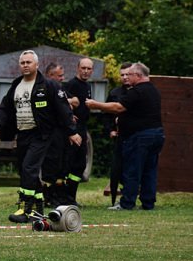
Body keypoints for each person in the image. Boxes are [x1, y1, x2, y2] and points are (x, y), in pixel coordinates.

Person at [0, 50, 80, 223]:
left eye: (29, 62)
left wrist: (72, 132)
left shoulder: (49, 85)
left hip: (42, 134)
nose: (25, 65)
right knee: (25, 168)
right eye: (23, 63)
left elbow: (64, 109)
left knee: (29, 168)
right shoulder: (16, 85)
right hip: (23, 133)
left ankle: (24, 208)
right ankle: (38, 207)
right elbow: (5, 108)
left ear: (37, 65)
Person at [86, 62, 164, 210]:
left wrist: (96, 104)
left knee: (132, 171)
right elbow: (140, 112)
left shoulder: (137, 91)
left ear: (139, 75)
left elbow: (118, 107)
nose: (127, 77)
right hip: (157, 135)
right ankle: (148, 203)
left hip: (139, 137)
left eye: (130, 74)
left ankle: (127, 203)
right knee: (149, 171)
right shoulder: (154, 89)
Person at [39, 62, 76, 208]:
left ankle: (60, 197)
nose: (62, 78)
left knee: (62, 166)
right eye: (59, 76)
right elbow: (57, 107)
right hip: (50, 132)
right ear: (50, 75)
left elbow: (75, 102)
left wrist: (65, 103)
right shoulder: (43, 89)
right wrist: (65, 105)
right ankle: (48, 197)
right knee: (51, 166)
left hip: (61, 133)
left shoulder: (59, 89)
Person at [100, 62, 133, 206]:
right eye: (122, 75)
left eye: (127, 75)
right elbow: (106, 114)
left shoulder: (139, 92)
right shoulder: (114, 93)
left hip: (135, 137)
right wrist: (110, 130)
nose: (125, 78)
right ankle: (117, 197)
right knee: (117, 169)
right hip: (119, 138)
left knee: (132, 168)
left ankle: (129, 197)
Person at [61, 58, 93, 207]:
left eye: (89, 68)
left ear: (92, 70)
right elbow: (61, 103)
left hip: (82, 127)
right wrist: (69, 117)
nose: (86, 71)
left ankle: (71, 198)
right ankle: (62, 197)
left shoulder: (87, 86)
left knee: (80, 164)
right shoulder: (71, 85)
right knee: (69, 163)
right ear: (77, 69)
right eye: (83, 68)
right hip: (73, 128)